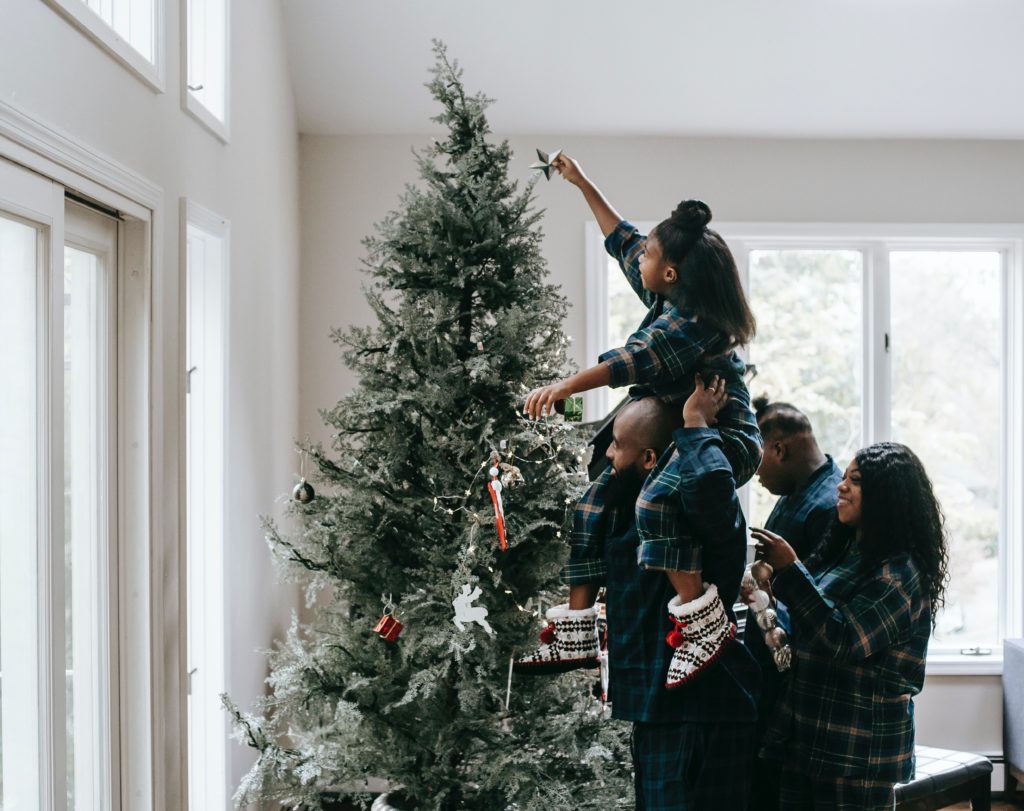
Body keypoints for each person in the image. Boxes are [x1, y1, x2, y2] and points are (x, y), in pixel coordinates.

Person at [517, 153, 761, 685]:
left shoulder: (689, 324)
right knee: (593, 501)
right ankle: (575, 631)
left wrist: (563, 388)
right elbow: (622, 239)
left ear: (669, 272)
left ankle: (704, 622)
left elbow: (626, 363)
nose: (641, 258)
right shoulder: (668, 287)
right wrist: (582, 182)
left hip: (725, 438)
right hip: (683, 429)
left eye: (652, 254)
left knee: (655, 501)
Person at [585, 395, 761, 810]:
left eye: (618, 445)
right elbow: (601, 458)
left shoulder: (694, 506)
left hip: (699, 714)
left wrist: (696, 424)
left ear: (649, 458)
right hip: (657, 711)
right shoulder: (631, 507)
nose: (608, 453)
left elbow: (713, 481)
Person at [752, 443, 949, 811]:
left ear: (887, 497)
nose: (841, 487)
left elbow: (844, 639)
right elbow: (809, 623)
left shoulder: (900, 572)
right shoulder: (844, 553)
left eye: (855, 481)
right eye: (844, 478)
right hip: (807, 736)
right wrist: (767, 595)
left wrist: (792, 570)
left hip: (856, 753)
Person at [747, 398, 843, 810]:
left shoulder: (827, 508)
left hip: (794, 676)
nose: (756, 475)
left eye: (757, 461)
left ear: (779, 449)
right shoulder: (796, 491)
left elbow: (819, 602)